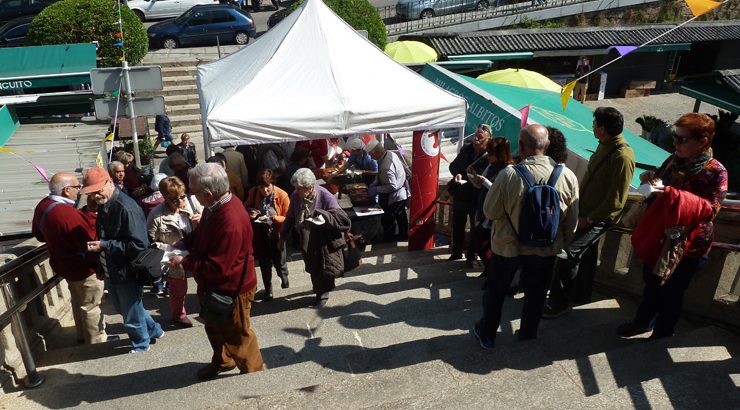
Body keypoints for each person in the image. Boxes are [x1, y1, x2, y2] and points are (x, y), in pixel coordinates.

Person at [617, 113, 727, 339]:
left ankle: (662, 334)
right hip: (660, 235)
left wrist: (673, 195)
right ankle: (642, 322)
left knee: (672, 293)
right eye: (675, 138)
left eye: (682, 139)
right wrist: (651, 180)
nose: (675, 143)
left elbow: (711, 210)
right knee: (651, 284)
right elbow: (659, 180)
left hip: (689, 245)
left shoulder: (716, 171)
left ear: (703, 141)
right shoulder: (673, 160)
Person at [472, 125, 579, 349]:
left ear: (521, 146)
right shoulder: (567, 176)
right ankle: (528, 333)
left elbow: (490, 212)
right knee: (536, 293)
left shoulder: (509, 175)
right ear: (547, 145)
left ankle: (488, 332)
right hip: (545, 249)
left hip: (508, 248)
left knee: (496, 291)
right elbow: (571, 222)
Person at [168, 163, 265, 380]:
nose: (191, 197)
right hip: (214, 286)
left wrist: (185, 261)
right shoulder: (216, 206)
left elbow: (218, 267)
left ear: (209, 194)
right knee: (214, 327)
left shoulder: (230, 220)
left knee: (239, 335)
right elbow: (203, 233)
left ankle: (257, 377)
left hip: (231, 289)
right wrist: (185, 243)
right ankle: (223, 361)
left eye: (194, 193)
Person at [543, 107, 635, 319]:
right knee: (586, 256)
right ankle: (581, 296)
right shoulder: (605, 146)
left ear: (602, 129)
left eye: (594, 125)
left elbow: (616, 200)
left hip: (598, 217)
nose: (592, 128)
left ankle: (558, 302)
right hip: (585, 210)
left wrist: (591, 219)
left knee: (568, 254)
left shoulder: (622, 156)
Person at [82, 167, 164, 353]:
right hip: (113, 267)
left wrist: (104, 245)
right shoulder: (106, 203)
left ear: (109, 183)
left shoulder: (126, 207)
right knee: (126, 307)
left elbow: (138, 245)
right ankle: (154, 330)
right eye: (92, 193)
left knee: (130, 310)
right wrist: (102, 263)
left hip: (126, 269)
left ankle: (141, 344)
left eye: (97, 191)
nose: (95, 196)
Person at [31, 172, 114, 345]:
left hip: (64, 265)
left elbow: (38, 235)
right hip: (83, 267)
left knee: (78, 302)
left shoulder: (43, 206)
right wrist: (91, 213)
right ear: (66, 190)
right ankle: (97, 342)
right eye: (77, 187)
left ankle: (82, 336)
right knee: (91, 306)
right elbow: (90, 240)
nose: (80, 191)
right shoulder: (66, 213)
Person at [279, 168, 350, 307]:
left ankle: (322, 293)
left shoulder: (324, 195)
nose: (297, 191)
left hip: (322, 238)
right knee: (312, 265)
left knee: (322, 266)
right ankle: (319, 289)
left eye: (300, 188)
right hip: (306, 237)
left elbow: (340, 217)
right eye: (296, 188)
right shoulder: (295, 196)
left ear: (310, 187)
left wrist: (323, 217)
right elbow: (290, 217)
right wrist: (282, 237)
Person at [147, 176, 203, 328]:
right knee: (178, 289)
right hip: (174, 256)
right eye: (174, 199)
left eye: (182, 196)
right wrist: (170, 248)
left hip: (197, 251)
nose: (180, 201)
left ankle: (205, 309)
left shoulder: (193, 203)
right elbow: (151, 242)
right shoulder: (156, 215)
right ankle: (179, 316)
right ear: (164, 198)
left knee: (204, 281)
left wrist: (202, 220)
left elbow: (210, 220)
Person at [448, 124, 492, 265]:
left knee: (475, 228)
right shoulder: (466, 149)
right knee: (458, 226)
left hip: (477, 198)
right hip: (461, 194)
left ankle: (471, 256)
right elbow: (453, 166)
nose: (476, 140)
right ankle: (456, 253)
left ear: (488, 140)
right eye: (475, 136)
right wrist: (458, 174)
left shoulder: (490, 157)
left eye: (480, 137)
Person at [245, 169, 290, 301]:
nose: (264, 190)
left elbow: (288, 218)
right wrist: (251, 212)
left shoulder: (282, 195)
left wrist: (275, 218)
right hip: (261, 234)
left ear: (273, 184)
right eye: (261, 187)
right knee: (265, 263)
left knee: (279, 261)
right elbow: (246, 206)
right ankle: (268, 290)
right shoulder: (253, 192)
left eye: (267, 187)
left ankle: (283, 276)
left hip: (277, 234)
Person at [468, 137, 514, 270]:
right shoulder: (491, 166)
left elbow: (499, 190)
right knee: (478, 242)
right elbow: (481, 185)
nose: (488, 157)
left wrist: (485, 182)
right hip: (483, 209)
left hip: (495, 214)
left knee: (487, 244)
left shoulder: (508, 170)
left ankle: (491, 270)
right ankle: (489, 268)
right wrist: (474, 179)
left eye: (491, 154)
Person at [367, 138, 408, 242]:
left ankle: (391, 240)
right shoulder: (389, 154)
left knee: (390, 220)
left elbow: (392, 186)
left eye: (371, 154)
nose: (371, 157)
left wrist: (376, 189)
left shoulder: (386, 166)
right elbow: (381, 175)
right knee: (401, 218)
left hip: (395, 195)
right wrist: (376, 182)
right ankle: (402, 237)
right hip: (400, 193)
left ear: (377, 152)